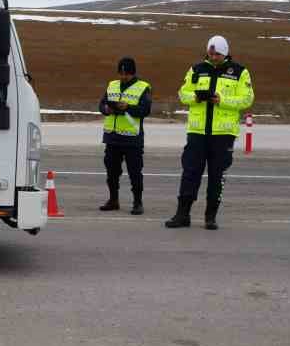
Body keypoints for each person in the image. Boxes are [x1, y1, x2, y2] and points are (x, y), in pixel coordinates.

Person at [165, 34, 254, 230]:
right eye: (211, 54)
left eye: (217, 54)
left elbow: (247, 99)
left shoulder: (239, 72)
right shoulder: (197, 69)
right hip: (197, 132)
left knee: (217, 176)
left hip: (223, 135)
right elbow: (183, 93)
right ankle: (182, 214)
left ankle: (210, 216)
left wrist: (222, 100)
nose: (213, 57)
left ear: (225, 53)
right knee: (190, 173)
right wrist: (196, 97)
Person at [97, 57, 152, 215]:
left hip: (132, 138)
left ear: (133, 73)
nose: (123, 76)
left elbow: (145, 110)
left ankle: (138, 202)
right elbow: (101, 104)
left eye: (126, 74)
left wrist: (127, 107)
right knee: (112, 172)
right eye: (121, 73)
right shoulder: (112, 85)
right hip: (112, 137)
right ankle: (113, 200)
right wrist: (107, 109)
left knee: (135, 172)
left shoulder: (143, 87)